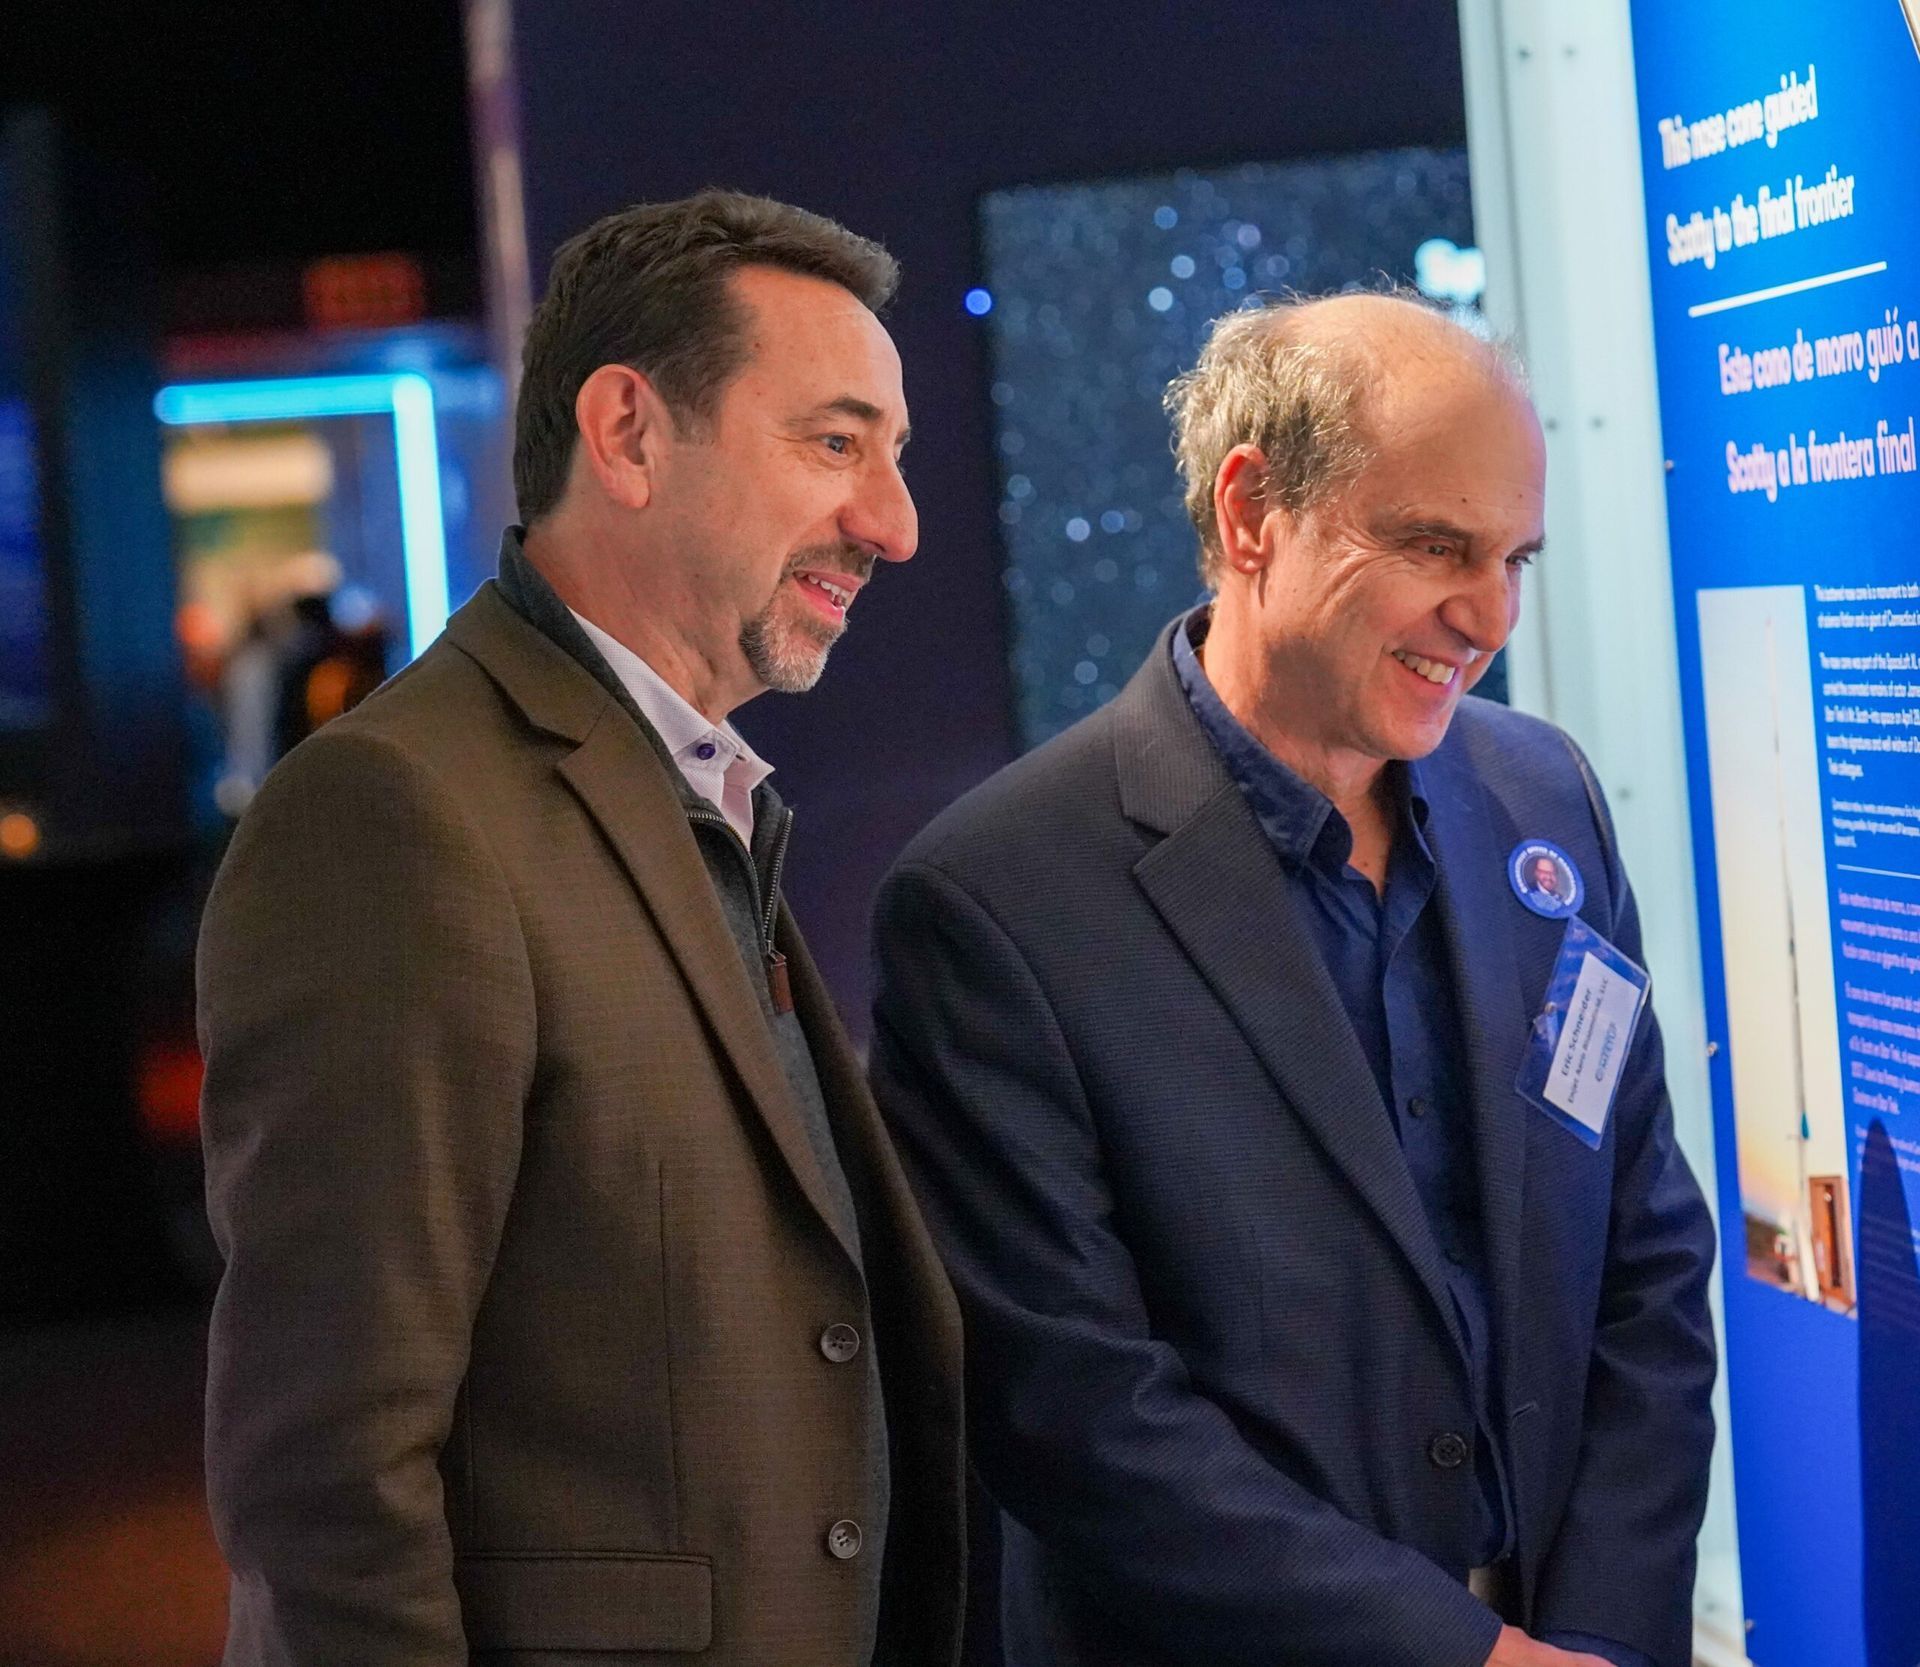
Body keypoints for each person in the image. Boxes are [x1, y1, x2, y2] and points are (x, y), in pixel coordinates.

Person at [869, 293, 1715, 1667]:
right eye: (1436, 547)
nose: (1489, 615)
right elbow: (1079, 1413)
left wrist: (1601, 1637)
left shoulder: (1545, 800)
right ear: (1253, 510)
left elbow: (1647, 1256)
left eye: (1514, 559)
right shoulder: (999, 900)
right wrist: (1464, 1659)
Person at [199, 191, 964, 1667]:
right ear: (626, 434)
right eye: (836, 443)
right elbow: (327, 1481)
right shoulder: (394, 815)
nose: (894, 523)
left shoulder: (692, 787)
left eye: (895, 455)